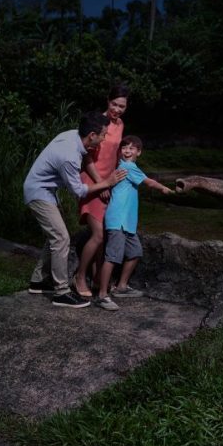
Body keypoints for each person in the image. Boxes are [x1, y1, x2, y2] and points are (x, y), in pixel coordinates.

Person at [24, 112, 127, 308]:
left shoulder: (73, 135)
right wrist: (107, 182)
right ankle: (61, 292)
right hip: (38, 193)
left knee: (54, 235)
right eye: (103, 135)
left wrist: (101, 180)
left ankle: (37, 281)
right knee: (61, 238)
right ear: (92, 135)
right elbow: (79, 191)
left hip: (45, 191)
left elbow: (85, 158)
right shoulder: (69, 156)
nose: (105, 138)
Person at [96, 135, 174, 311]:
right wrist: (164, 188)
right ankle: (102, 295)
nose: (127, 151)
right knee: (113, 257)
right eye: (124, 148)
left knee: (135, 252)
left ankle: (121, 287)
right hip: (118, 220)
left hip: (127, 222)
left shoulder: (128, 167)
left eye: (132, 148)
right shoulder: (128, 167)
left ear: (139, 152)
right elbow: (149, 183)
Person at [74, 85, 130, 298]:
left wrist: (117, 182)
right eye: (114, 104)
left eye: (122, 106)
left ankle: (98, 277)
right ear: (107, 101)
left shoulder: (121, 124)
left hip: (110, 182)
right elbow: (86, 157)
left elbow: (116, 156)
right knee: (98, 235)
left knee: (105, 234)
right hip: (93, 180)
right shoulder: (97, 121)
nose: (117, 109)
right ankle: (80, 277)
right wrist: (102, 183)